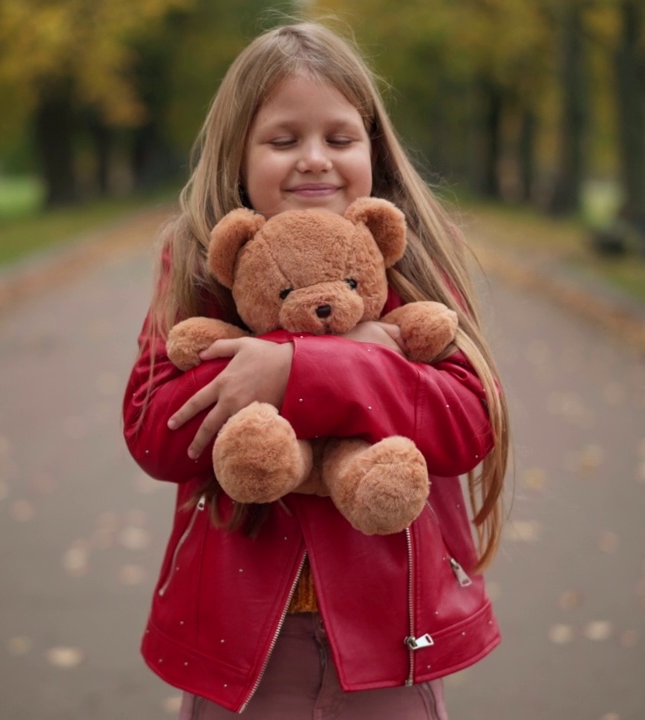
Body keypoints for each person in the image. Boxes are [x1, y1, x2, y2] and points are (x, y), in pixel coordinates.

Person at [122, 20, 511, 719]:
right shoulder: (200, 260)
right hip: (244, 638)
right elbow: (155, 432)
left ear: (374, 149)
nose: (313, 160)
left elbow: (469, 422)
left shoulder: (412, 254)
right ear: (237, 155)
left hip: (392, 633)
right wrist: (347, 359)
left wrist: (296, 370)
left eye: (339, 138)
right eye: (282, 140)